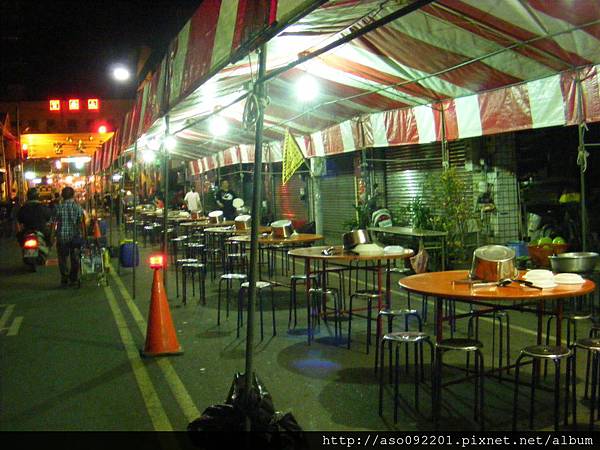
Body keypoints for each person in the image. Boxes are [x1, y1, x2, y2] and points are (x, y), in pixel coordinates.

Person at [52, 187, 85, 287]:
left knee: (62, 259)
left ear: (62, 196)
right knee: (75, 258)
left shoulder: (58, 207)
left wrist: (51, 235)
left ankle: (65, 278)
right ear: (73, 195)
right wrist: (83, 235)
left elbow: (53, 223)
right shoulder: (78, 207)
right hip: (75, 237)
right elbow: (81, 223)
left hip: (62, 237)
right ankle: (73, 278)